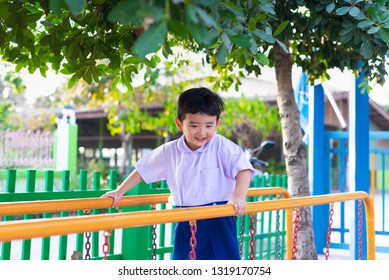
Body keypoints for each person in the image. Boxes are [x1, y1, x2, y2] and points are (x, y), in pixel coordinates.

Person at [102, 87, 254, 260]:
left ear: (217, 124)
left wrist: (238, 196)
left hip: (218, 217)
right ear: (180, 124)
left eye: (209, 126)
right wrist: (119, 192)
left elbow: (243, 169)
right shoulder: (170, 151)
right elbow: (142, 171)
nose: (202, 132)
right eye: (194, 125)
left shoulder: (222, 146)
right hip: (184, 217)